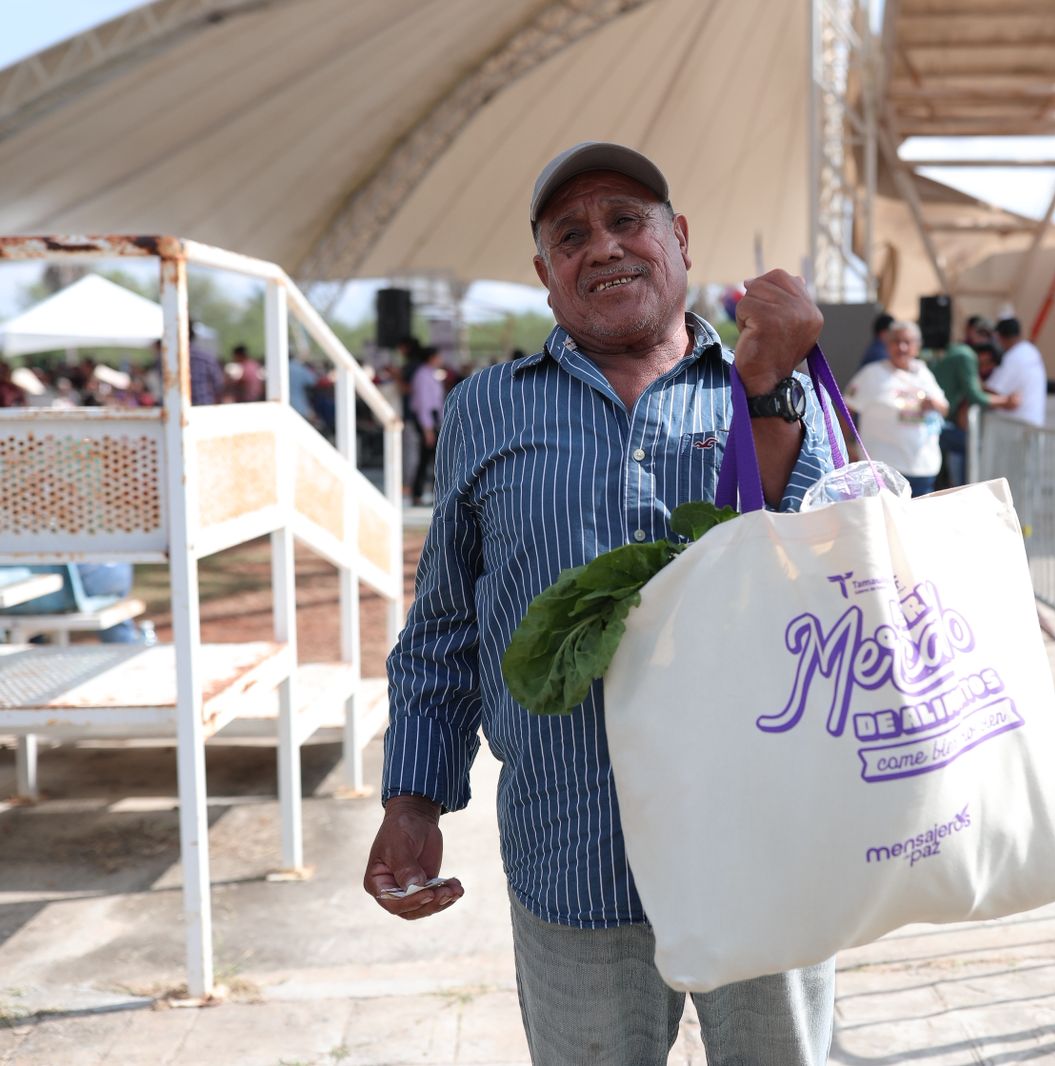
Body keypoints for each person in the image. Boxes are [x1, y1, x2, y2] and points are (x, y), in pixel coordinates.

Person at [366, 141, 838, 1064]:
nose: (604, 246)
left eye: (627, 220)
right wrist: (414, 799)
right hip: (573, 855)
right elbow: (448, 625)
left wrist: (768, 389)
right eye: (571, 236)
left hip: (763, 845)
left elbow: (816, 575)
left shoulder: (771, 379)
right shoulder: (487, 407)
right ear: (545, 273)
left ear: (680, 238)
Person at [845, 320, 949, 496]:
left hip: (922, 468)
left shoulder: (924, 373)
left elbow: (944, 408)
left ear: (917, 346)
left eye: (907, 342)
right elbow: (846, 408)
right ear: (887, 345)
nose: (902, 347)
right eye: (896, 341)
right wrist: (848, 445)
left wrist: (934, 404)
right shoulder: (871, 374)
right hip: (883, 469)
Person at [925, 316, 993, 486]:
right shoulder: (965, 355)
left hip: (936, 421)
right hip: (935, 422)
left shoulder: (957, 350)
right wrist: (1006, 401)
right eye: (981, 333)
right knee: (968, 445)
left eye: (987, 334)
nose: (984, 338)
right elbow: (975, 395)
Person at [986, 317, 1047, 427]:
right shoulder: (1031, 351)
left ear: (1000, 337)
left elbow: (993, 391)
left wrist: (974, 383)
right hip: (1034, 423)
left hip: (1016, 425)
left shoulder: (1013, 357)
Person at [407, 346, 445, 506]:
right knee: (428, 458)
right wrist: (427, 429)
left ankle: (428, 494)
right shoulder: (422, 375)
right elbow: (424, 404)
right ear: (431, 357)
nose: (440, 360)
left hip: (433, 419)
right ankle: (418, 494)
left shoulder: (431, 374)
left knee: (432, 459)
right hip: (426, 420)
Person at [186, 324, 225, 406]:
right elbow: (218, 384)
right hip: (204, 406)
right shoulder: (206, 358)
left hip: (177, 409)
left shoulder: (168, 360)